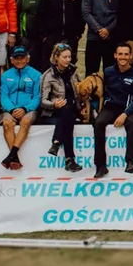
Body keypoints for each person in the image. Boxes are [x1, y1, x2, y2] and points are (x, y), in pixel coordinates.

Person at [91, 43, 133, 178]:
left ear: (131, 56)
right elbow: (101, 92)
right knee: (98, 122)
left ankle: (131, 162)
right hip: (110, 107)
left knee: (131, 123)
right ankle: (100, 166)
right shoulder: (108, 71)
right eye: (120, 54)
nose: (123, 57)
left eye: (126, 54)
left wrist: (125, 114)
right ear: (115, 55)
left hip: (128, 109)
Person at [40, 42, 83, 173]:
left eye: (69, 57)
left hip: (72, 108)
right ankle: (69, 159)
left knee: (68, 111)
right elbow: (42, 101)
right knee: (66, 115)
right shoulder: (48, 75)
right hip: (54, 111)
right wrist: (54, 104)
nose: (68, 60)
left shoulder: (73, 72)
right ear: (56, 57)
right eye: (65, 57)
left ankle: (56, 142)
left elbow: (80, 90)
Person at [0, 46, 41, 170]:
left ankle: (10, 156)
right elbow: (4, 97)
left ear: (28, 59)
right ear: (11, 60)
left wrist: (25, 109)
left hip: (29, 109)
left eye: (22, 58)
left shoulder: (36, 75)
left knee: (25, 121)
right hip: (10, 109)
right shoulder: (6, 75)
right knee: (7, 124)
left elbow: (37, 97)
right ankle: (14, 158)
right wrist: (12, 109)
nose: (19, 61)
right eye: (16, 58)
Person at [82, 0, 120, 77]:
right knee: (91, 73)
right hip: (94, 38)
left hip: (112, 38)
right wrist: (99, 30)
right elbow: (86, 13)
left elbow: (122, 14)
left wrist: (108, 29)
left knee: (111, 73)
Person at [16, 0, 47, 70]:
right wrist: (20, 36)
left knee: (46, 68)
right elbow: (17, 16)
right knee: (30, 68)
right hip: (29, 40)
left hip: (48, 39)